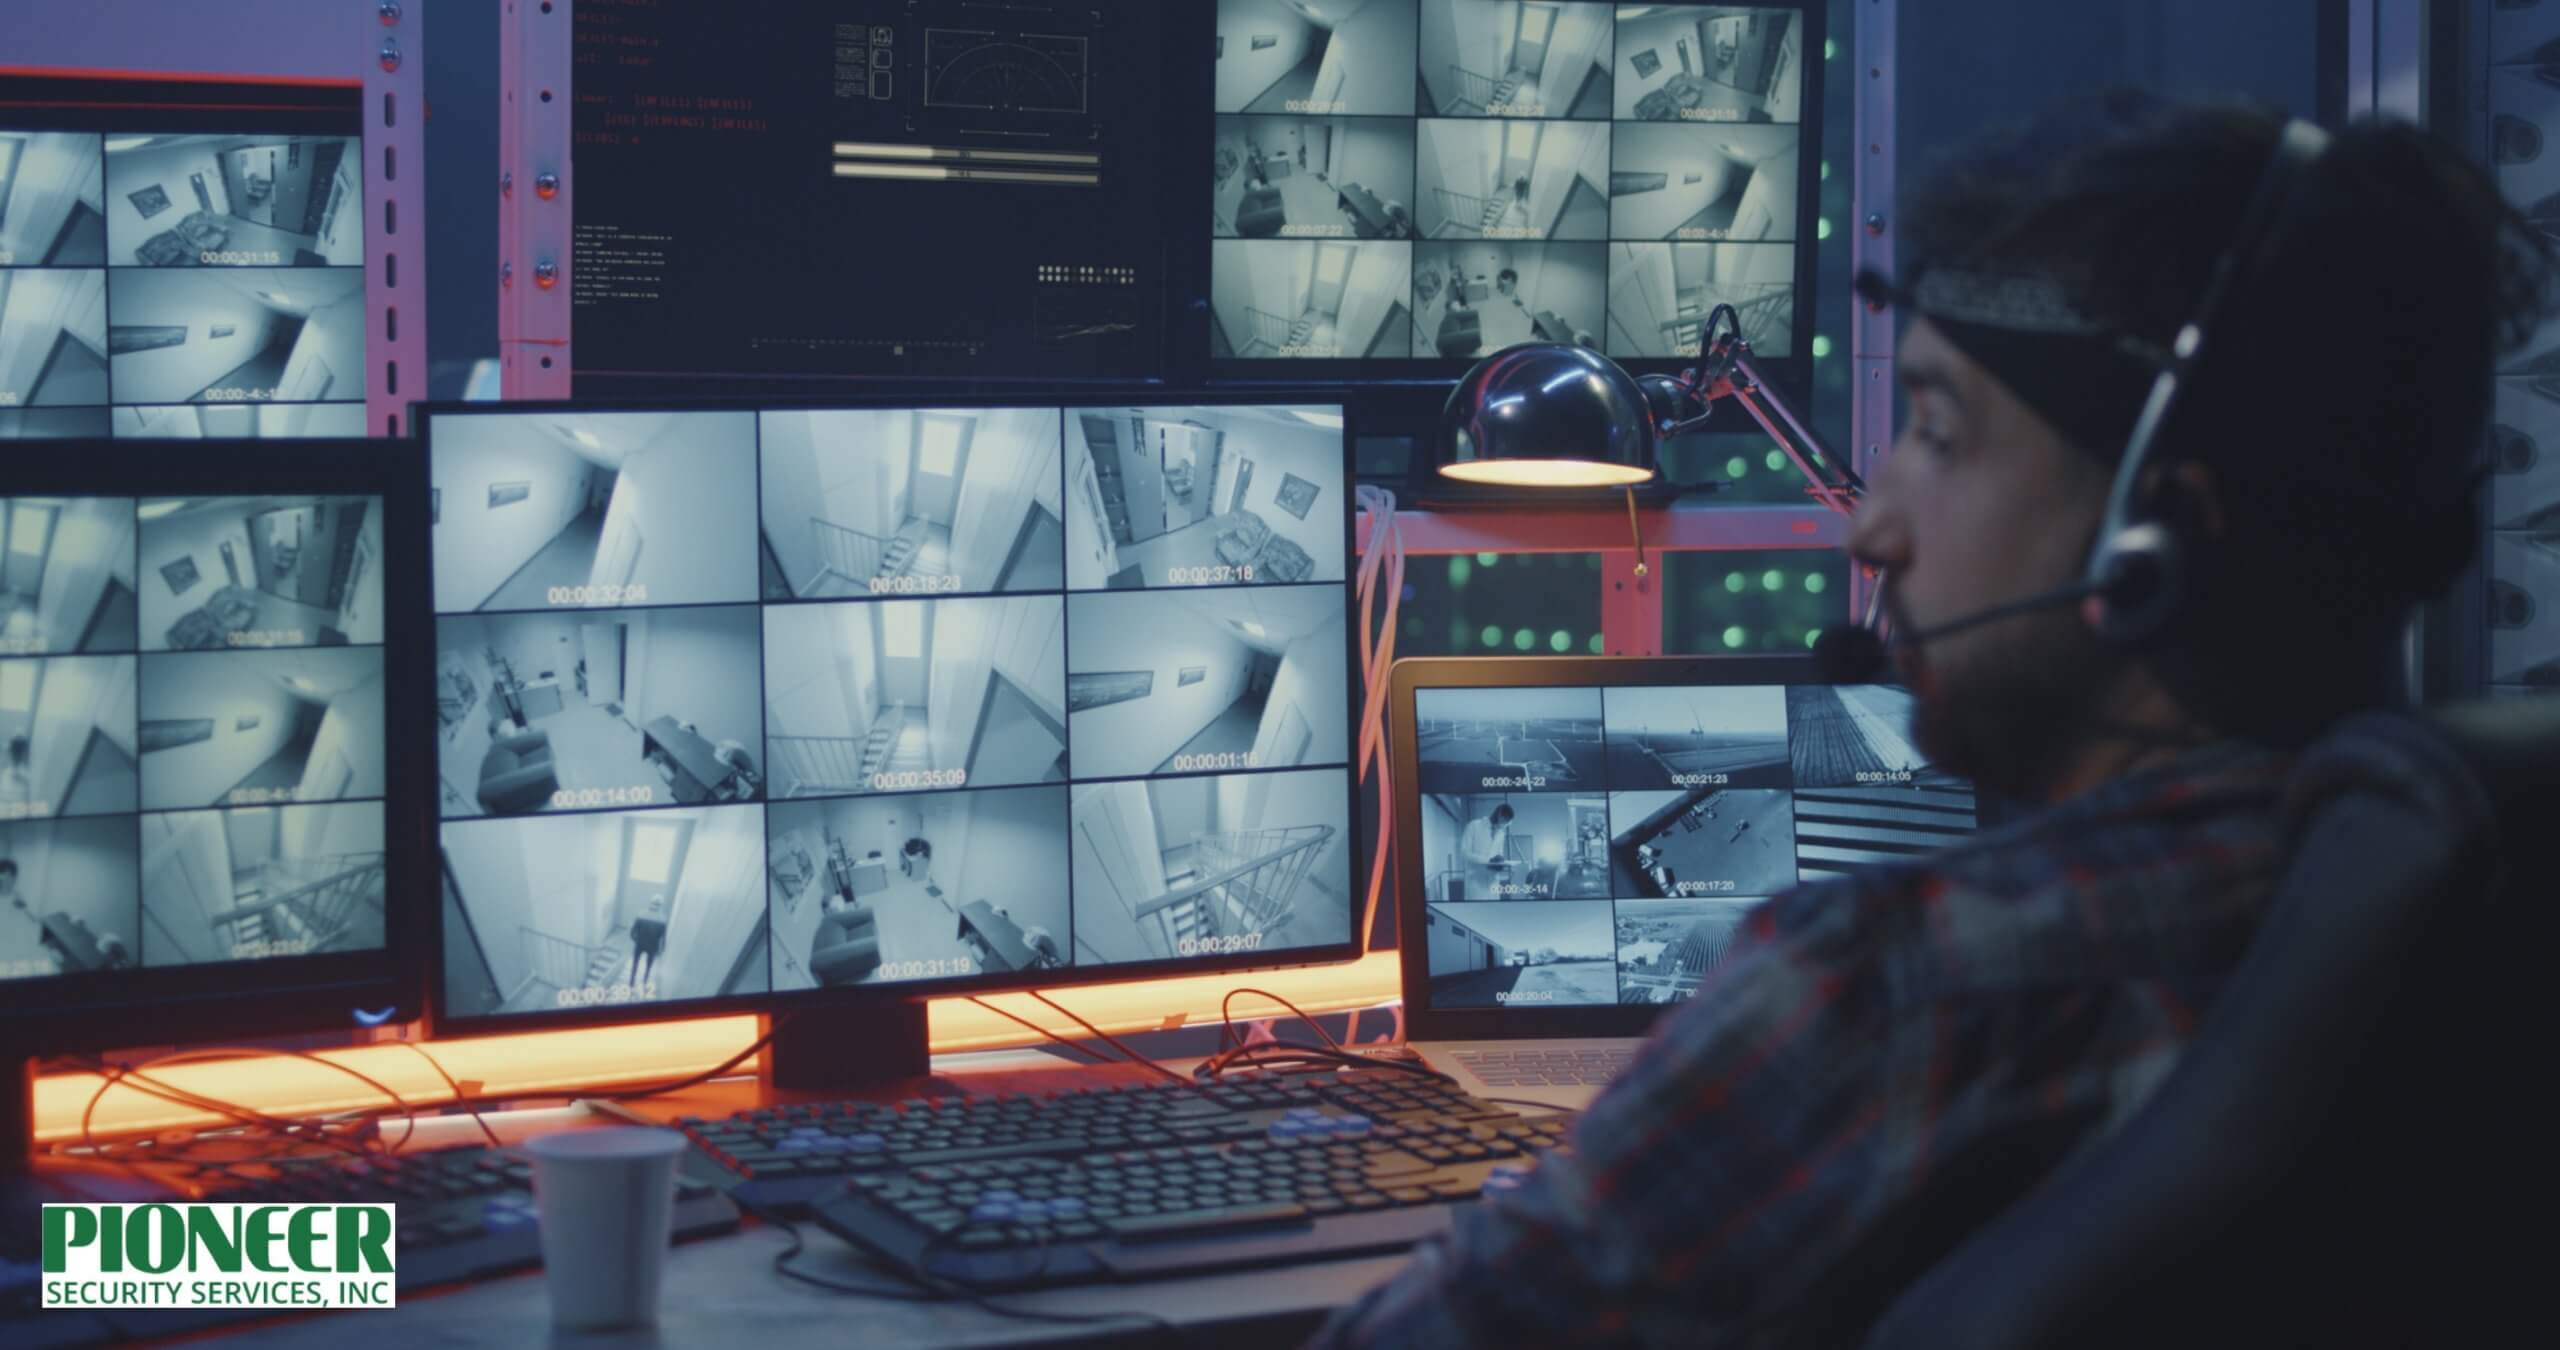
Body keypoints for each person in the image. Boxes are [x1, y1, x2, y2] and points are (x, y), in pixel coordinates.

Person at [1312, 91, 2552, 1346]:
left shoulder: (1896, 986)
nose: (1872, 526)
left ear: (2156, 538)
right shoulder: (2482, 914)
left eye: (1941, 434)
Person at [1458, 802, 1515, 895]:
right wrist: (1488, 861)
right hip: (1475, 881)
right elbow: (1464, 853)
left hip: (1493, 882)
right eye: (1505, 821)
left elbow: (1499, 854)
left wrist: (1501, 863)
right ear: (1500, 816)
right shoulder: (1474, 826)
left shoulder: (1501, 833)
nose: (1505, 825)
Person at [627, 892, 669, 991]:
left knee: (635, 964)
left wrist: (637, 940)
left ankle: (631, 983)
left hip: (640, 944)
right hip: (652, 947)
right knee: (648, 967)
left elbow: (632, 933)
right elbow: (663, 937)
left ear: (650, 902)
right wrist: (662, 949)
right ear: (661, 906)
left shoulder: (641, 914)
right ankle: (644, 982)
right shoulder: (663, 919)